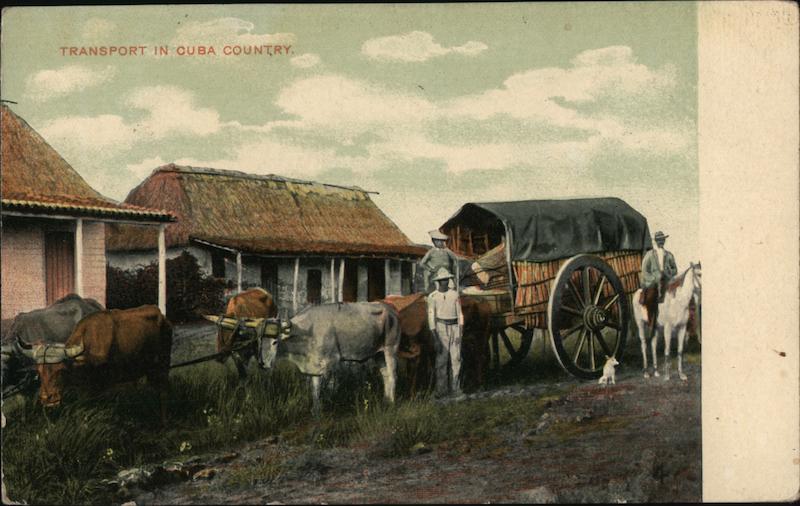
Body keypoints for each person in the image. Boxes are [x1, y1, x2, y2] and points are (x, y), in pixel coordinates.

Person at [427, 267, 464, 397]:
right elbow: (431, 318)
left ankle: (455, 388)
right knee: (441, 360)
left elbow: (460, 314)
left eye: (447, 279)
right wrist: (435, 337)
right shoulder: (433, 297)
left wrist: (460, 332)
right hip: (441, 327)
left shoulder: (454, 294)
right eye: (442, 280)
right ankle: (441, 389)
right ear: (438, 282)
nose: (445, 282)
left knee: (456, 358)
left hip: (454, 327)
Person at [640, 230, 678, 304]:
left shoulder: (669, 255)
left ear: (664, 241)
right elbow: (644, 270)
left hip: (667, 278)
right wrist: (653, 278)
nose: (661, 242)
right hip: (654, 280)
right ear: (656, 241)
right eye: (659, 240)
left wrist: (670, 271)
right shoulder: (649, 255)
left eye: (662, 240)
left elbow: (675, 269)